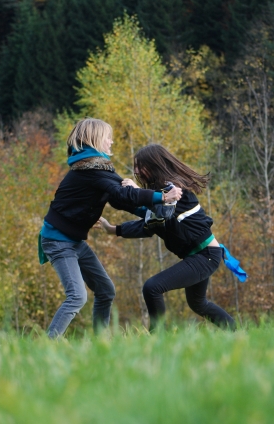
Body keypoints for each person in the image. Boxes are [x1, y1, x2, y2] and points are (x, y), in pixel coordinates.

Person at [40, 119, 182, 338]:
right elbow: (121, 195)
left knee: (105, 290)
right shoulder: (90, 170)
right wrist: (161, 197)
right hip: (58, 241)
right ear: (95, 139)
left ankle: (99, 343)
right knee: (77, 296)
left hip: (73, 241)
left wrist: (149, 213)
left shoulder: (98, 168)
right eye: (108, 137)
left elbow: (121, 200)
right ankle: (48, 344)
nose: (111, 141)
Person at [96, 143, 237, 331]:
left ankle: (158, 339)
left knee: (152, 288)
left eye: (140, 166)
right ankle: (238, 334)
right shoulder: (160, 194)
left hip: (206, 255)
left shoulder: (174, 190)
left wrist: (137, 190)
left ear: (154, 164)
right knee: (198, 304)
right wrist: (112, 228)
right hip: (200, 255)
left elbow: (162, 210)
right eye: (135, 166)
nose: (136, 170)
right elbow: (148, 225)